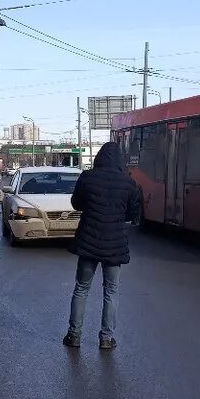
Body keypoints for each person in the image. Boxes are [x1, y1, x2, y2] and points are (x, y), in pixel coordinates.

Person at [64, 142, 142, 350]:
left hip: (89, 241)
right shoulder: (128, 183)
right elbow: (133, 214)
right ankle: (106, 338)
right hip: (114, 245)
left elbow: (76, 204)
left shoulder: (87, 177)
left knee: (81, 289)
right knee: (111, 292)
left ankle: (74, 336)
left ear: (99, 158)